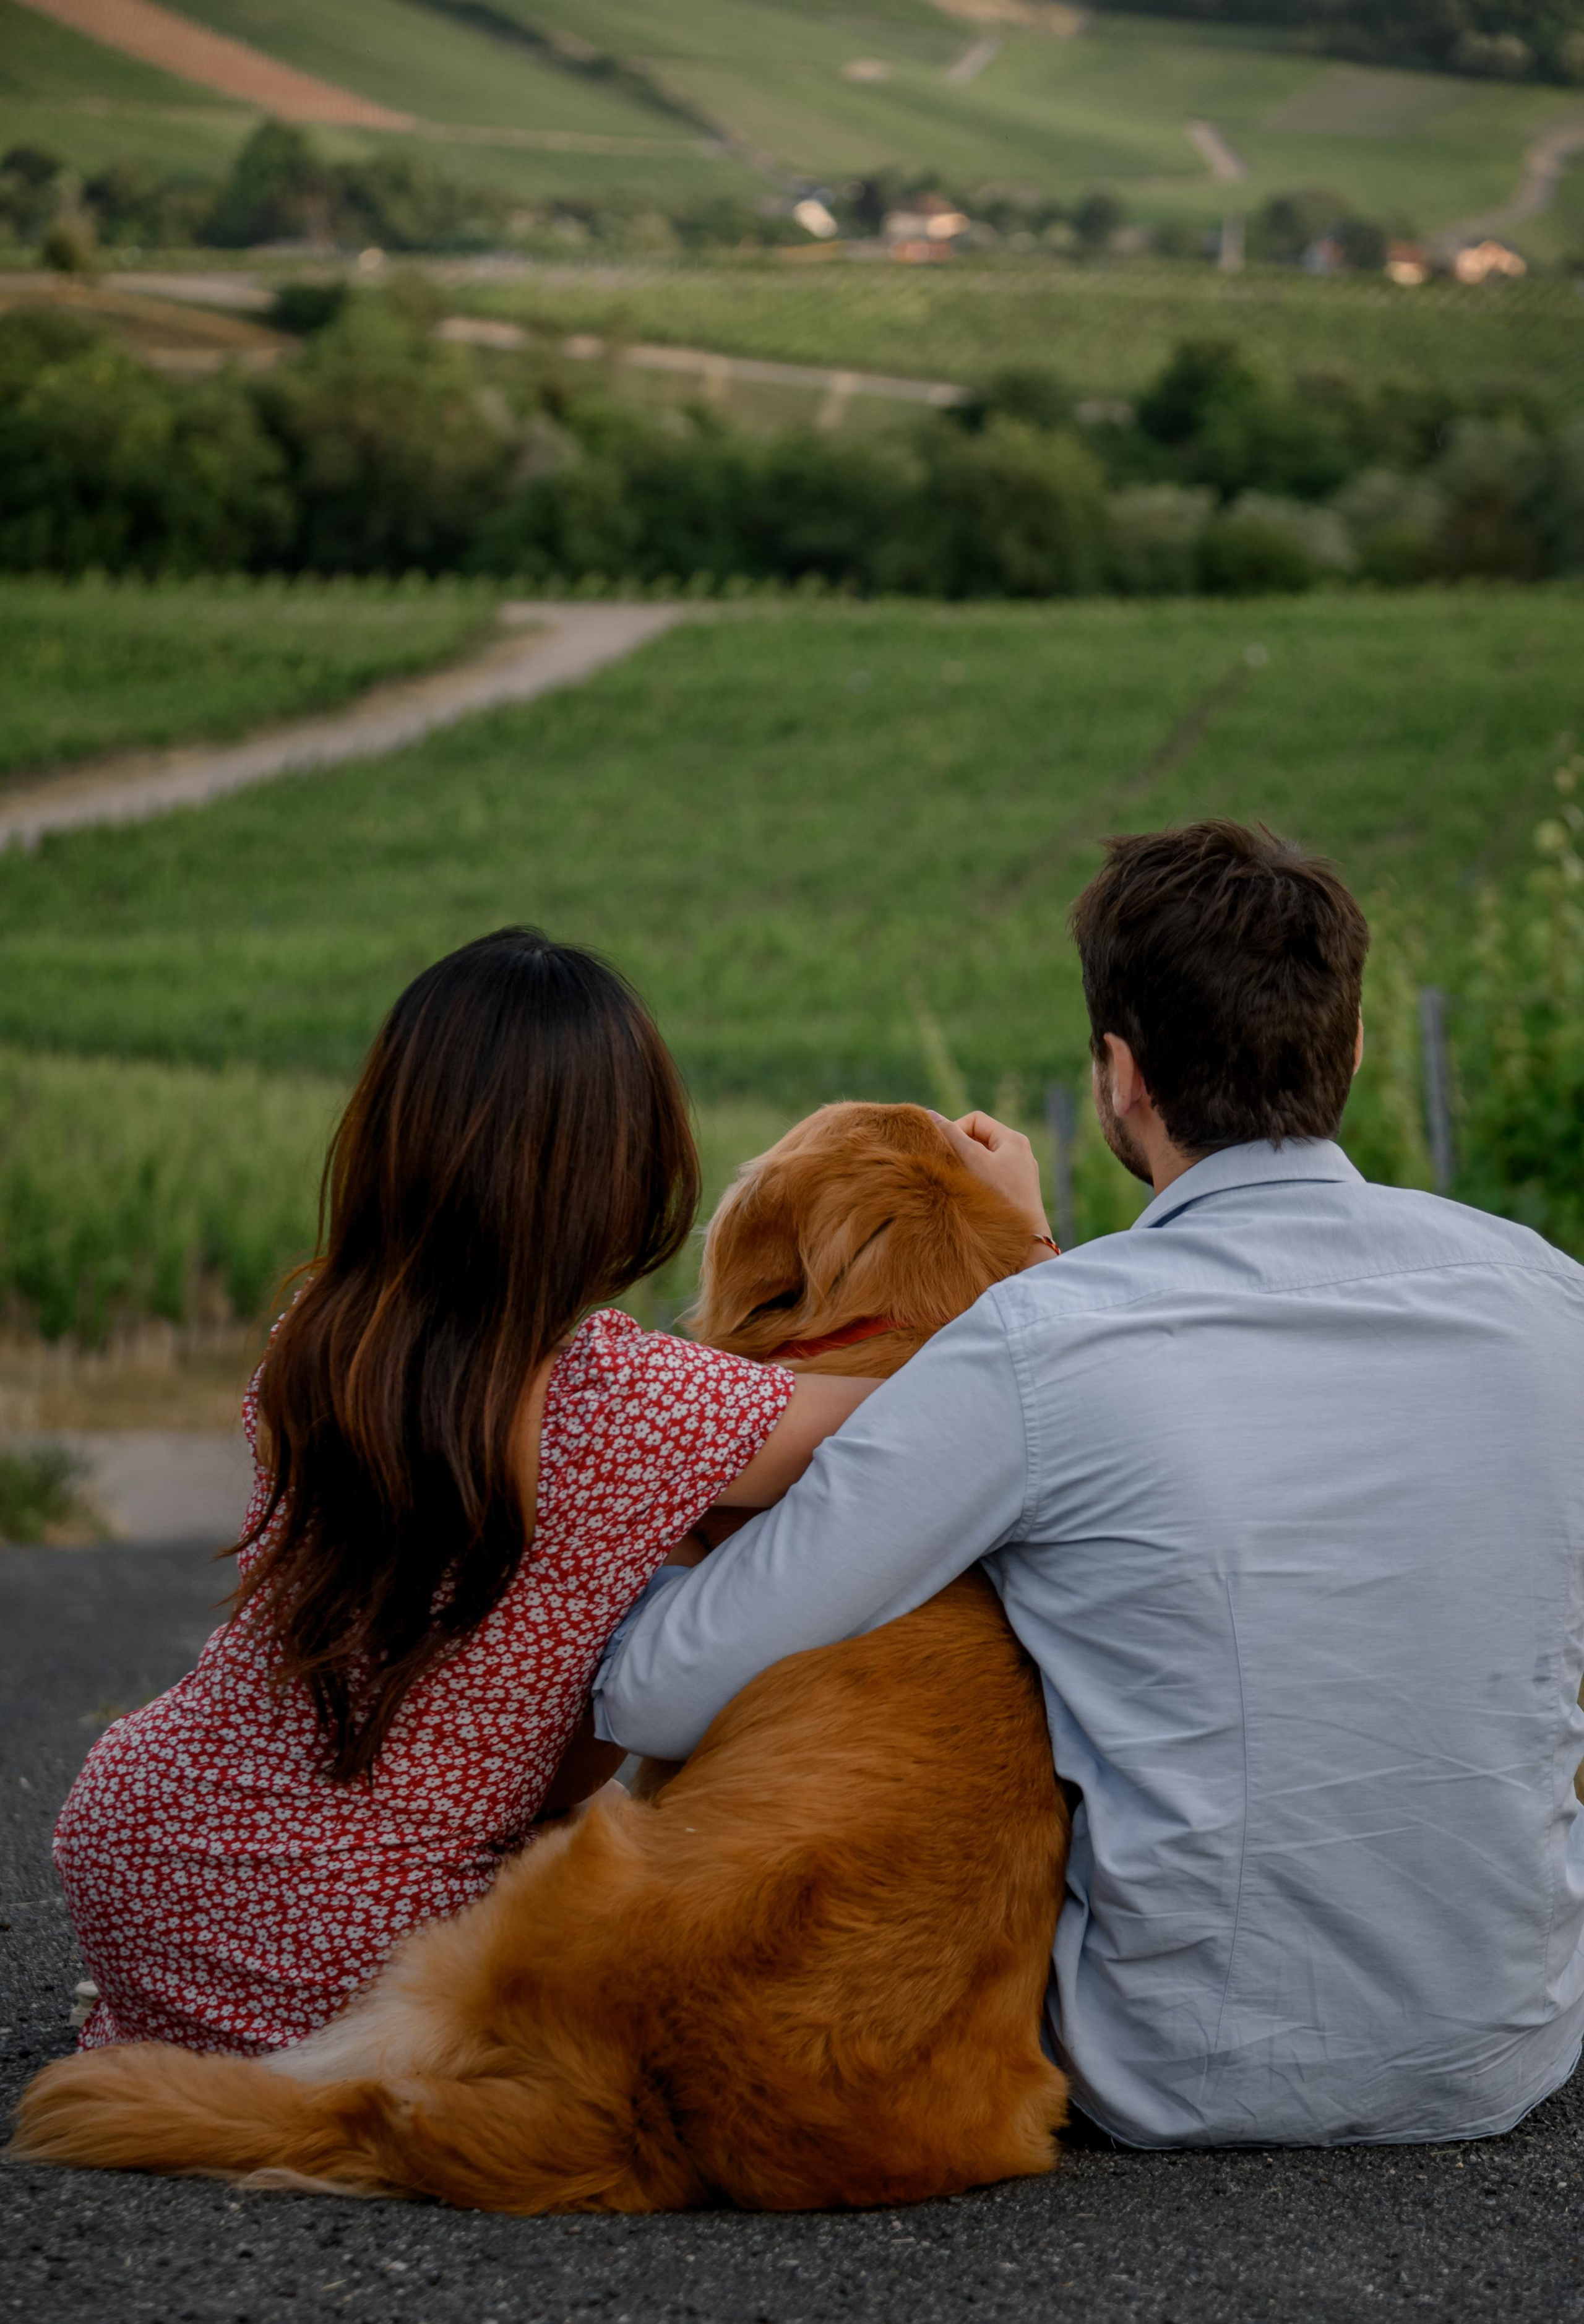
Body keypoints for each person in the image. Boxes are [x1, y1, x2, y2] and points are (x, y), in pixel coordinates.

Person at [595, 820, 1584, 2150]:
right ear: (1350, 1048)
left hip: (1188, 2076)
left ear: (1117, 1077)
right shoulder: (1544, 1296)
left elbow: (656, 1687)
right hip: (1508, 2047)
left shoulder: (1040, 1345)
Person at [54, 929, 880, 2056]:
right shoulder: (639, 1399)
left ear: (397, 1138)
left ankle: (179, 2029)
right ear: (628, 1168)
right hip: (368, 1943)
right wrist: (1019, 1226)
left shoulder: (319, 1339)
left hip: (138, 1856)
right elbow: (932, 1411)